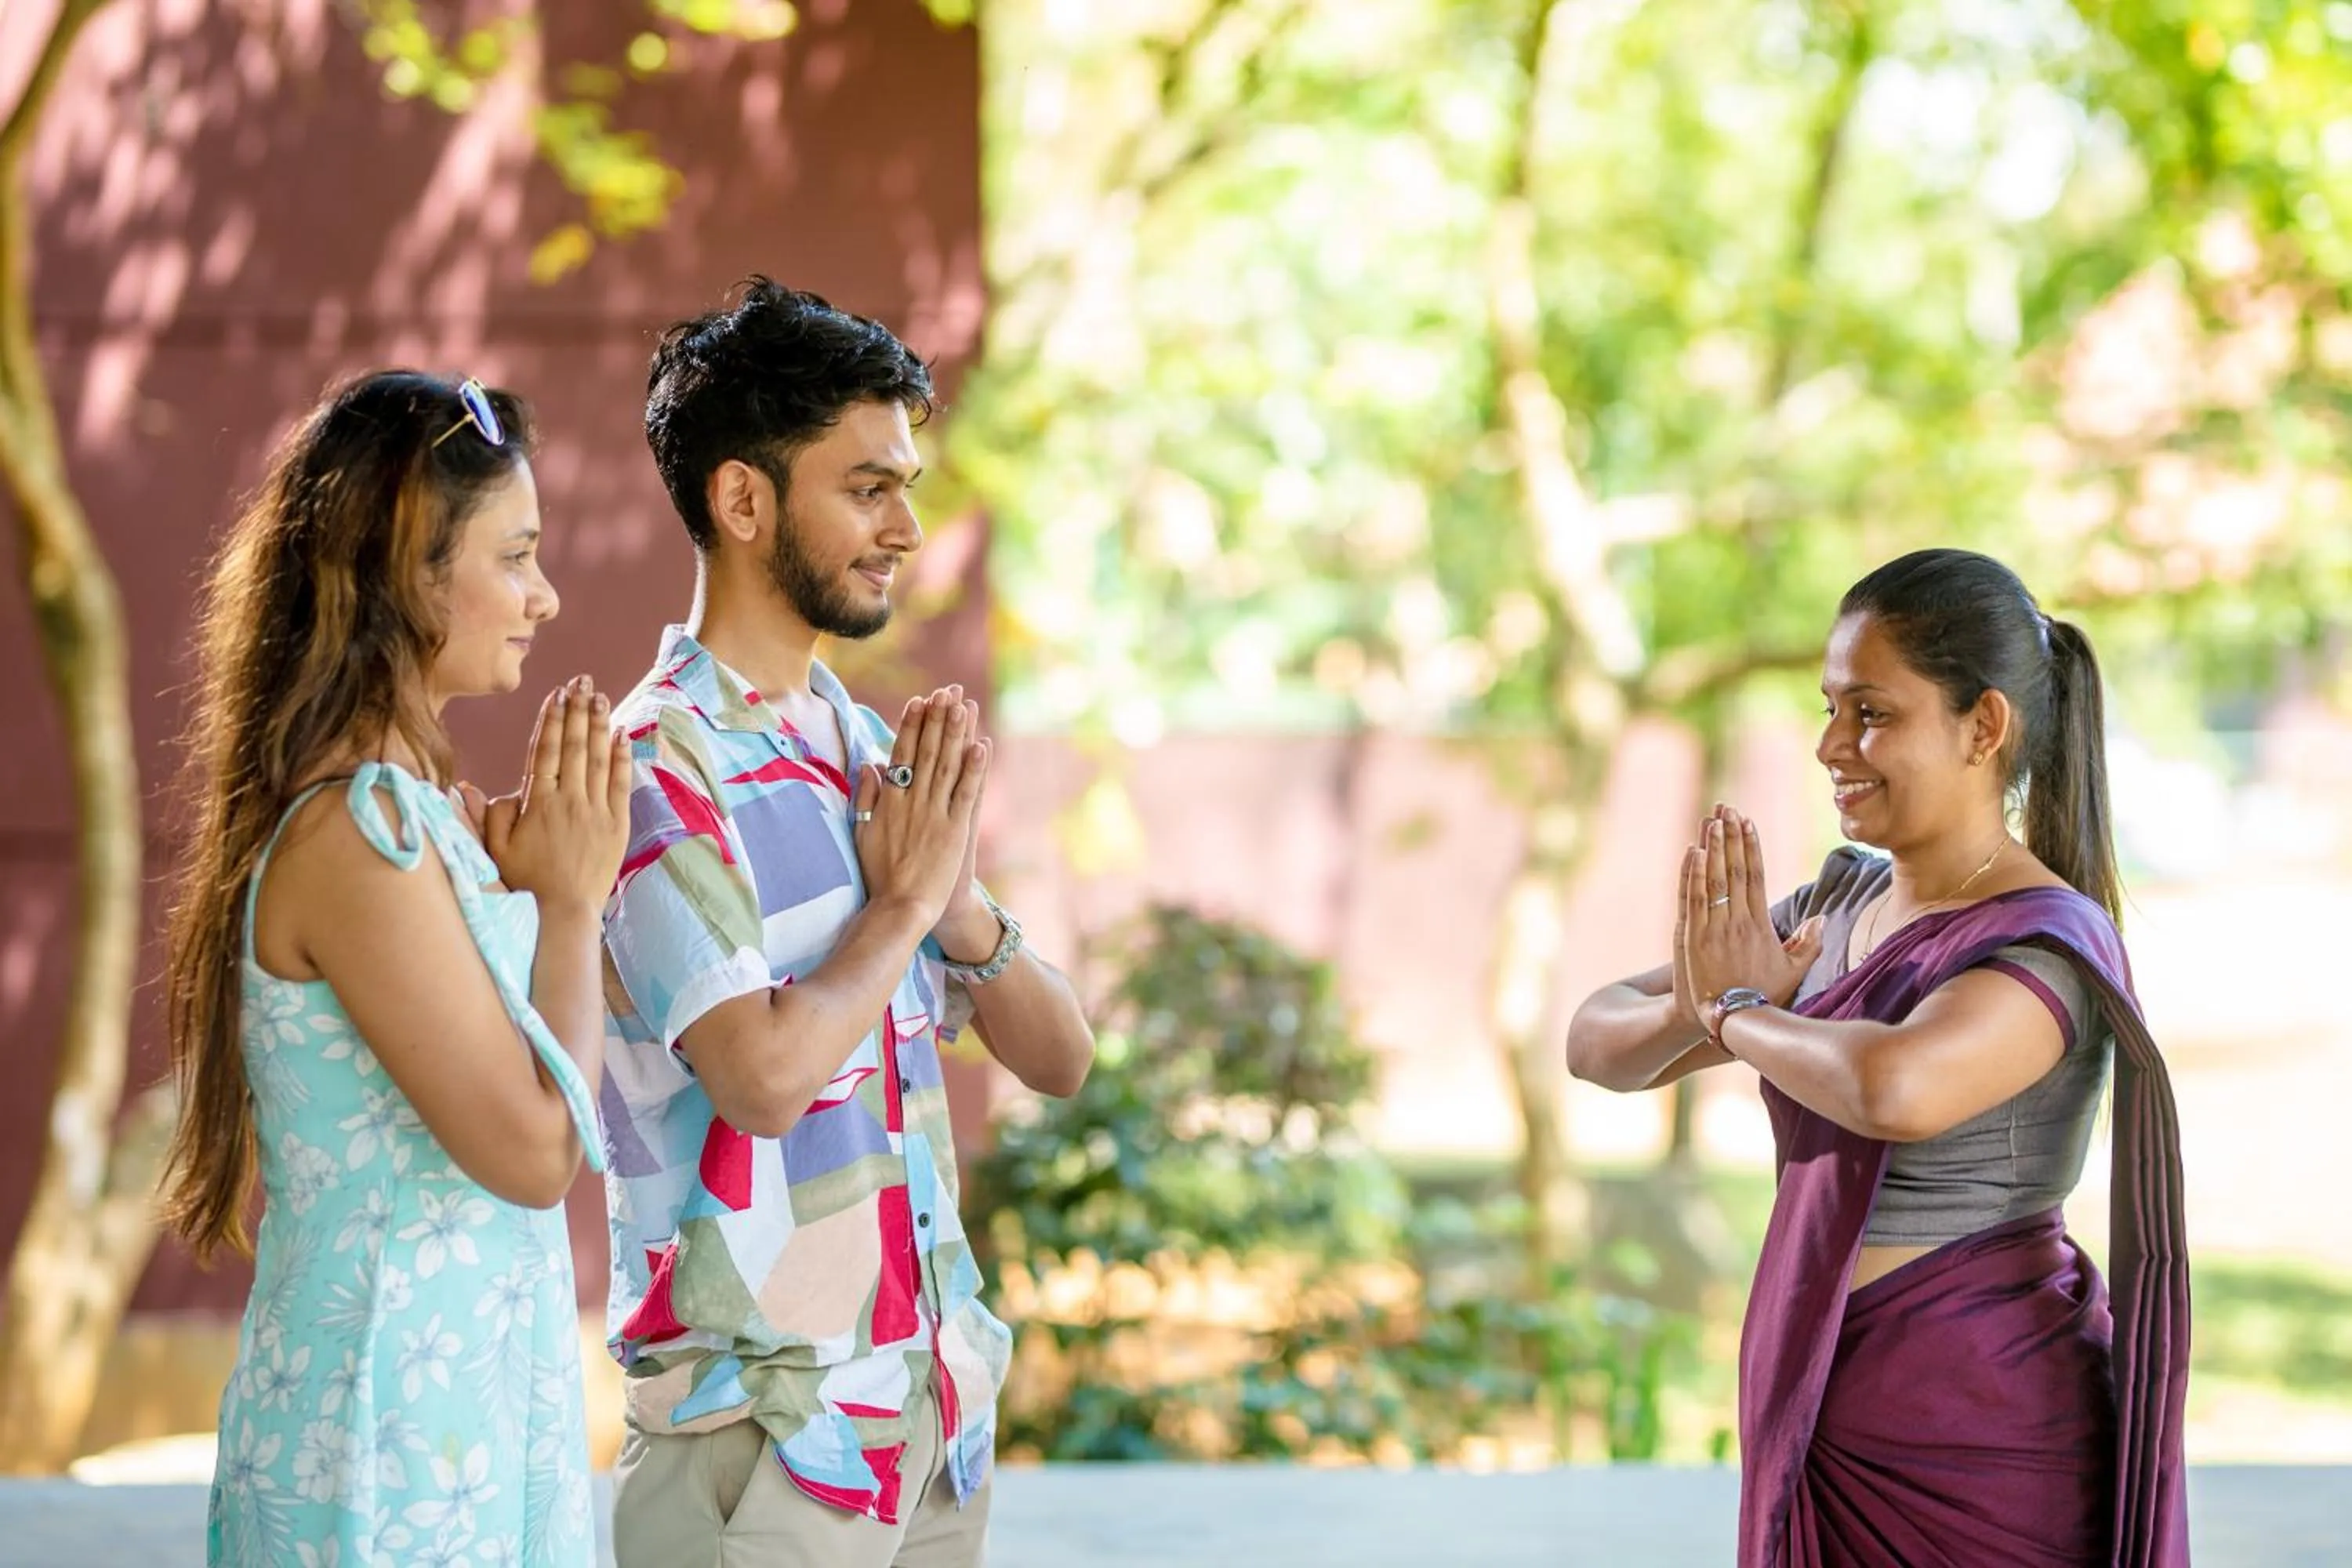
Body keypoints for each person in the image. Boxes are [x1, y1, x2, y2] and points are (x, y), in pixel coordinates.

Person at [597, 278, 1096, 1567]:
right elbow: (760, 1077)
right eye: (868, 486)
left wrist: (959, 907)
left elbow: (1061, 1058)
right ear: (744, 499)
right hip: (758, 1450)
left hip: (922, 1431)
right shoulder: (658, 767)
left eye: (907, 484)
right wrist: (902, 907)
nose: (908, 526)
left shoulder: (866, 751)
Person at [1566, 548, 2189, 1566]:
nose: (1830, 746)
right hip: (1826, 1405)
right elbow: (1596, 1041)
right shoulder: (1839, 903)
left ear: (1982, 727)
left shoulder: (2047, 943)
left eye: (1871, 713)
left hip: (1982, 1428)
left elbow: (1891, 1086)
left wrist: (1728, 1011)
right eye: (1828, 708)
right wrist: (1723, 1004)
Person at [159, 371, 630, 1567]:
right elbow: (533, 1154)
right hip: (391, 1431)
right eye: (514, 557)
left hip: (456, 1409)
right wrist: (567, 909)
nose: (545, 595)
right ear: (410, 576)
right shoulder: (362, 836)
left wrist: (529, 895)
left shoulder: (408, 819)